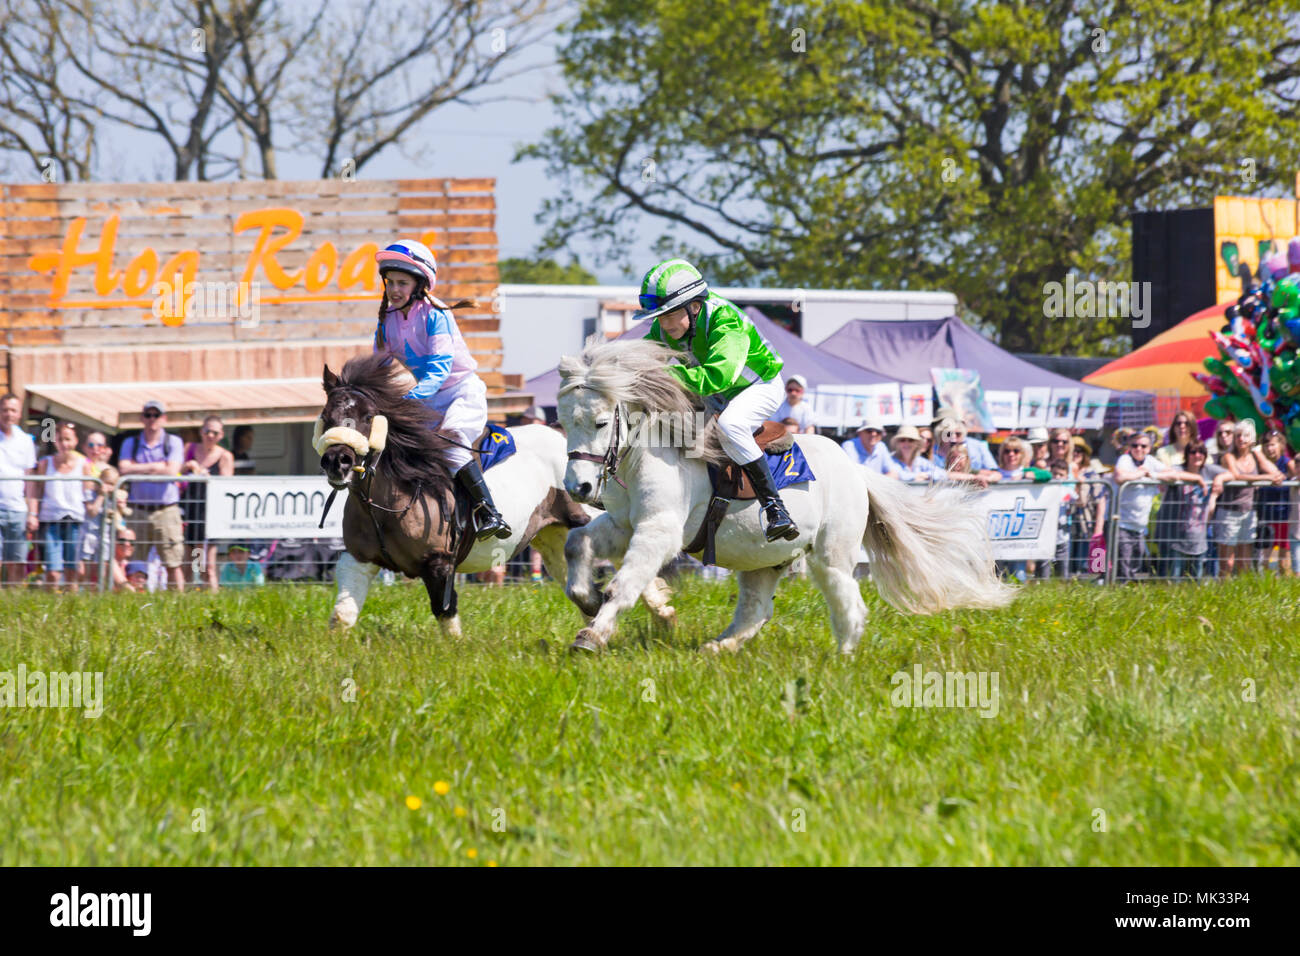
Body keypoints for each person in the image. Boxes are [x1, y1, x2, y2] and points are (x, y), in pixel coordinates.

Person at [639, 257, 798, 540]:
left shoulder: (727, 321)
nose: (662, 324)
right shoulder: (666, 328)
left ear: (695, 306)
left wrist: (665, 372)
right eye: (658, 317)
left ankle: (775, 508)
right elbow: (644, 358)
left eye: (668, 314)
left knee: (731, 425)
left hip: (758, 387)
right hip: (716, 393)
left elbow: (717, 377)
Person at [374, 238, 510, 540]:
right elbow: (379, 368)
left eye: (402, 283)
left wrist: (406, 399)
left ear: (419, 284)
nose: (394, 290)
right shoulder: (387, 319)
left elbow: (439, 371)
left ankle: (490, 512)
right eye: (390, 282)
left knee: (450, 444)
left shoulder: (437, 314)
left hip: (461, 393)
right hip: (427, 400)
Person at [1112, 431, 1206, 581]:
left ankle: (1127, 594)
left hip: (1140, 526)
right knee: (1123, 565)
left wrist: (1152, 476)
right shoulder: (1125, 459)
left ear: (1149, 448)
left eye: (1143, 446)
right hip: (1121, 523)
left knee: (1136, 564)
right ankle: (1118, 593)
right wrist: (1139, 474)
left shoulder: (1150, 461)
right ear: (1129, 447)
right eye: (1135, 445)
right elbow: (1119, 477)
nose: (1139, 449)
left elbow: (1174, 475)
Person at [118, 399, 188, 591]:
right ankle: (135, 603)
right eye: (148, 415)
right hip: (137, 511)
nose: (152, 419)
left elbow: (172, 471)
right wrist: (156, 467)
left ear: (163, 418)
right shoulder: (130, 443)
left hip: (166, 510)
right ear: (142, 418)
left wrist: (138, 469)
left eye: (156, 415)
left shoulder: (173, 442)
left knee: (173, 562)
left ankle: (178, 605)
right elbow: (123, 469)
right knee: (134, 563)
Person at [27, 421, 96, 591]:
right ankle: (50, 606)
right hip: (50, 520)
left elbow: (87, 496)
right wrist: (33, 514)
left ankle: (70, 607)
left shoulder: (84, 465)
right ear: (55, 440)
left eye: (68, 439)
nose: (64, 444)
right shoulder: (45, 464)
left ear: (75, 441)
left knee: (72, 570)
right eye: (60, 439)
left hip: (75, 521)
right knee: (53, 572)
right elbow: (38, 492)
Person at [1215, 419, 1282, 576]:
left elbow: (1276, 472)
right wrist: (1265, 478)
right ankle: (1223, 590)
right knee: (1227, 562)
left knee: (1244, 561)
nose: (1241, 439)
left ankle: (1243, 592)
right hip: (1229, 512)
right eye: (1238, 435)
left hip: (1249, 511)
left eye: (1245, 435)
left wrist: (1258, 453)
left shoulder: (1255, 456)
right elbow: (1237, 476)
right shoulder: (1228, 456)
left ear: (1251, 438)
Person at [182, 415, 235, 592]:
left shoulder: (225, 456)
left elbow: (227, 485)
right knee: (188, 564)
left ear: (221, 435)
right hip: (190, 511)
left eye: (214, 432)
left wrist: (208, 477)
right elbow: (176, 473)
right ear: (201, 432)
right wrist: (186, 468)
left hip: (210, 515)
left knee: (208, 566)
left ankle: (212, 602)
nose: (210, 435)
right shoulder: (189, 449)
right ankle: (185, 601)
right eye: (207, 431)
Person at [1165, 440, 1228, 579]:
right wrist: (1197, 478)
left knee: (1196, 580)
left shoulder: (1209, 470)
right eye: (1193, 452)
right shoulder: (1180, 468)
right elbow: (1167, 473)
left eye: (1201, 452)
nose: (1197, 455)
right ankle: (1103, 573)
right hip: (1177, 536)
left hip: (1199, 536)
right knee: (1174, 578)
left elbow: (1231, 474)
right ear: (1187, 455)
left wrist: (1219, 479)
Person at [0, 393, 37, 586]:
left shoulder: (25, 440)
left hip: (17, 508)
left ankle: (14, 601)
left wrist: (33, 513)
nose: (8, 414)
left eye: (13, 410)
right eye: (5, 409)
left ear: (19, 414)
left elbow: (30, 479)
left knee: (16, 561)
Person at [1256, 429, 1293, 575]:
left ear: (1281, 445)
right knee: (1267, 559)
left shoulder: (1287, 463)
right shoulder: (1260, 464)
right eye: (1266, 445)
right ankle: (1269, 588)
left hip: (1283, 517)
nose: (1269, 448)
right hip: (1265, 516)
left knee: (1284, 560)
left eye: (1273, 445)